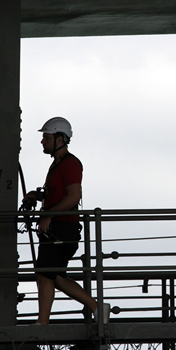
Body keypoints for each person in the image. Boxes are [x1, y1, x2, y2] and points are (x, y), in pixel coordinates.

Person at [23, 117, 109, 325]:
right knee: (57, 277)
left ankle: (42, 325)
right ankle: (98, 308)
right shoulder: (58, 165)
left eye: (46, 137)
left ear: (59, 139)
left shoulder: (70, 164)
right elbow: (61, 194)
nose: (42, 141)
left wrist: (49, 215)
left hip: (61, 228)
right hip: (60, 227)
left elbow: (73, 196)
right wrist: (39, 196)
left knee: (45, 274)